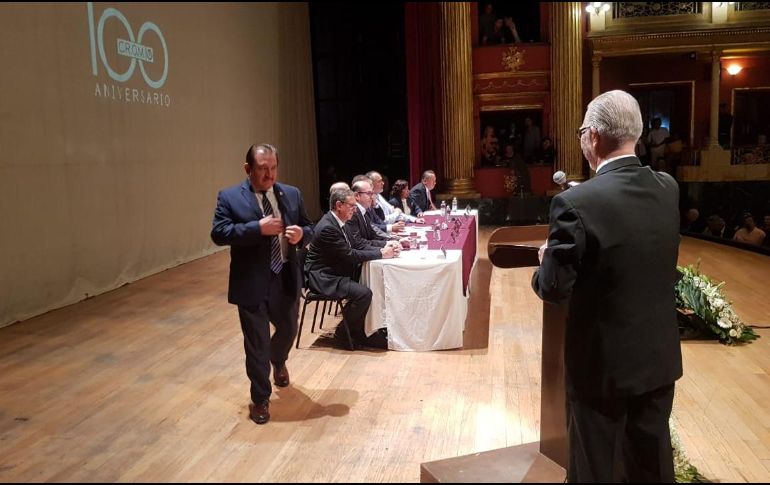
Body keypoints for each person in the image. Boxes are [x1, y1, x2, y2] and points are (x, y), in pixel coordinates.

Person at [532, 90, 682, 482]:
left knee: (594, 470)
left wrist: (546, 259)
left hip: (601, 371)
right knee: (652, 468)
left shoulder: (575, 203)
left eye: (583, 130)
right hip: (657, 361)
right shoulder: (667, 188)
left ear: (594, 137)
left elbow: (553, 288)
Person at [211, 143, 314, 425]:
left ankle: (278, 360)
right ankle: (260, 398)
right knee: (256, 345)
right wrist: (256, 229)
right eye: (262, 168)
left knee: (289, 329)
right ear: (248, 169)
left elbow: (310, 227)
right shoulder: (230, 197)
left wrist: (301, 235)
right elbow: (219, 233)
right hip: (251, 283)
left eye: (273, 168)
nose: (269, 174)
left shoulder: (291, 194)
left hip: (285, 278)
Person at [305, 187, 397, 350]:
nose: (354, 210)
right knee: (364, 293)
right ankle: (343, 333)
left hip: (335, 269)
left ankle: (364, 329)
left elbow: (356, 246)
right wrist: (381, 254)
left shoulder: (339, 222)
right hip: (325, 276)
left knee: (371, 282)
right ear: (339, 205)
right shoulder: (328, 227)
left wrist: (383, 248)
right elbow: (349, 255)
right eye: (351, 206)